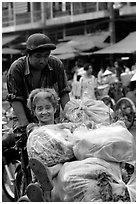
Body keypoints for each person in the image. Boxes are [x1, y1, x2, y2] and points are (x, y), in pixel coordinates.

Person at [7, 33, 70, 131]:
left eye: (46, 56)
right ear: (28, 54)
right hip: (24, 116)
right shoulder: (16, 68)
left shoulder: (56, 64)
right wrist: (26, 127)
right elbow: (15, 99)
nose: (42, 60)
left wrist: (69, 118)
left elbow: (63, 92)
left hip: (50, 117)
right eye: (38, 56)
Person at [26, 88, 64, 201]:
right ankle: (42, 187)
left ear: (55, 108)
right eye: (39, 109)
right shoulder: (33, 128)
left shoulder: (61, 127)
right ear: (34, 111)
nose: (44, 112)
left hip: (61, 165)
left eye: (48, 108)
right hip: (43, 166)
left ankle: (49, 174)